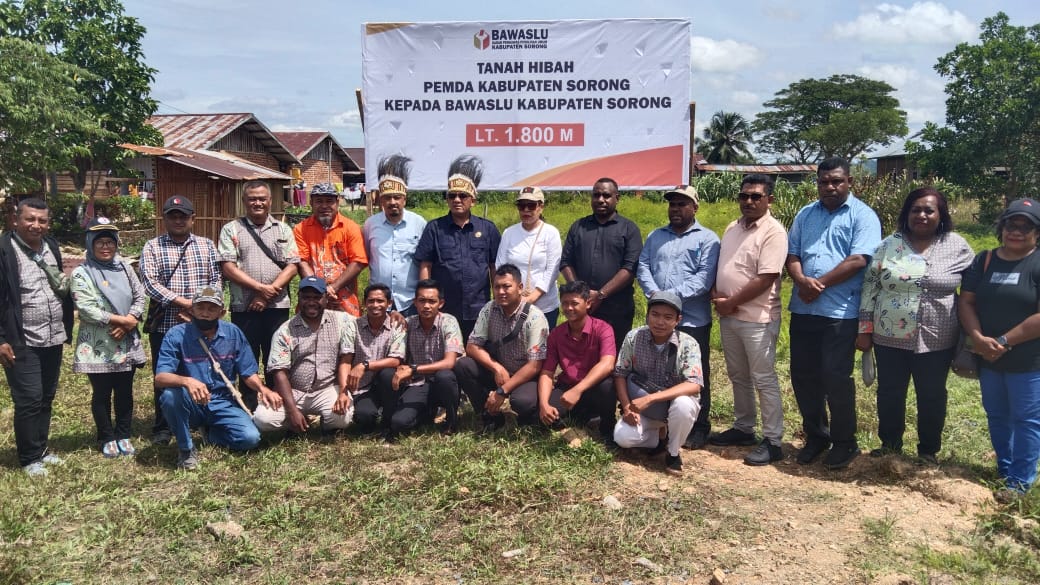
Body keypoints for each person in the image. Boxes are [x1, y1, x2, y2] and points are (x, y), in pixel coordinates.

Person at [857, 187, 973, 464]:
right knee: (890, 393)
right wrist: (864, 330)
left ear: (940, 215)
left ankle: (928, 451)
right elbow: (870, 288)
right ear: (906, 214)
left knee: (932, 395)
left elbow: (973, 292)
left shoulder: (957, 246)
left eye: (929, 210)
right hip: (889, 335)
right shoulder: (889, 246)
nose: (922, 215)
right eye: (915, 210)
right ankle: (890, 446)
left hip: (938, 338)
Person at [786, 157, 881, 470]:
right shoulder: (805, 214)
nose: (830, 187)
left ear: (849, 182)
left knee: (835, 378)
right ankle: (817, 436)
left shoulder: (863, 215)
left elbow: (858, 260)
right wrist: (801, 280)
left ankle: (845, 441)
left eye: (837, 181)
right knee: (803, 376)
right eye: (824, 181)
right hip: (803, 308)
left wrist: (819, 284)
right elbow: (793, 253)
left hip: (839, 312)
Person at [959, 198, 1040, 499]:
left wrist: (1004, 342)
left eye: (1025, 226)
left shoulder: (1037, 263)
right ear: (1002, 227)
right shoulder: (985, 260)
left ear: (1037, 232)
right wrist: (978, 338)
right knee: (996, 414)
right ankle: (1005, 470)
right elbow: (966, 301)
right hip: (988, 355)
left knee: (1027, 419)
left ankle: (1020, 482)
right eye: (1011, 224)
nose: (1016, 231)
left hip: (1028, 359)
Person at [155, 287, 282, 471]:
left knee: (250, 439)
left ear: (222, 312)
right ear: (192, 309)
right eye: (200, 308)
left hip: (223, 401)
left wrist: (263, 389)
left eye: (211, 308)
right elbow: (160, 377)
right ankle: (186, 449)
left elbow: (247, 372)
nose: (205, 313)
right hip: (191, 401)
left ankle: (211, 434)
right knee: (170, 396)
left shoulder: (233, 333)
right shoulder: (175, 335)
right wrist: (187, 381)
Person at [710, 174, 788, 466]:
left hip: (757, 318)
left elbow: (767, 277)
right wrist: (718, 294)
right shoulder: (733, 227)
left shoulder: (773, 232)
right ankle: (744, 428)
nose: (749, 201)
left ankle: (773, 440)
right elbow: (724, 266)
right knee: (738, 375)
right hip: (729, 316)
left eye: (756, 196)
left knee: (763, 378)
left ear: (769, 199)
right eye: (744, 196)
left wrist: (730, 302)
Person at [636, 185, 719, 450]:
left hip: (692, 321)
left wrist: (667, 298)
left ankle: (699, 426)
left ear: (695, 208)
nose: (676, 209)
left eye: (683, 204)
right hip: (659, 320)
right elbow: (644, 266)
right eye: (673, 204)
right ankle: (663, 423)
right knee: (659, 370)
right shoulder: (655, 236)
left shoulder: (708, 239)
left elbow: (704, 279)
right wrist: (655, 294)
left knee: (695, 374)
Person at [140, 194, 223, 446]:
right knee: (166, 373)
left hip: (203, 323)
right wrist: (185, 303)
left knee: (202, 370)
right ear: (164, 219)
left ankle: (201, 420)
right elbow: (150, 283)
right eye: (172, 216)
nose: (178, 220)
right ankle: (163, 426)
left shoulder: (207, 245)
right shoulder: (152, 247)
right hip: (166, 324)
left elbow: (216, 280)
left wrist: (201, 308)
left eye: (183, 216)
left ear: (192, 219)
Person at [0, 198, 75, 476]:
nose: (36, 225)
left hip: (53, 335)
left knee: (46, 396)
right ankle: (29, 457)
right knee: (29, 398)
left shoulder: (50, 245)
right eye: (30, 219)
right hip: (22, 338)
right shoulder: (4, 249)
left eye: (42, 220)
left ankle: (41, 449)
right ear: (15, 220)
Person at [217, 180, 299, 411]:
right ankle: (250, 407)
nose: (258, 203)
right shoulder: (231, 229)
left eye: (262, 198)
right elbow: (228, 267)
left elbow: (293, 265)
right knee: (246, 357)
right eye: (252, 198)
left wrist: (267, 293)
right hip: (244, 306)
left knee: (277, 357)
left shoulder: (283, 229)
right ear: (244, 201)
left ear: (270, 201)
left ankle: (278, 407)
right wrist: (259, 288)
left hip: (277, 306)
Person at [71, 218, 147, 458]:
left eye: (110, 242)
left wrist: (129, 321)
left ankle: (124, 433)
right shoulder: (82, 273)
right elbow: (86, 308)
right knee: (102, 393)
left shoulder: (125, 267)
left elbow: (140, 296)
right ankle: (106, 435)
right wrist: (120, 321)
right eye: (100, 242)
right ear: (90, 244)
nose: (105, 247)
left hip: (125, 340)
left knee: (125, 391)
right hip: (98, 345)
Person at [613, 291, 703, 475]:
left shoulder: (688, 343)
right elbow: (620, 374)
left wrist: (652, 398)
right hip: (644, 408)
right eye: (655, 315)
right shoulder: (634, 337)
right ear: (647, 316)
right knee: (622, 437)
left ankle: (673, 452)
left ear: (678, 320)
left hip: (672, 405)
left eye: (668, 317)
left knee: (683, 405)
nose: (660, 322)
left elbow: (694, 384)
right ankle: (659, 437)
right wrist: (627, 406)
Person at [454, 264, 549, 432]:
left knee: (522, 402)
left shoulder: (535, 317)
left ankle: (527, 419)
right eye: (497, 287)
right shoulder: (489, 309)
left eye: (506, 286)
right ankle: (489, 414)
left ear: (520, 288)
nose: (501, 291)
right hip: (500, 371)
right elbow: (472, 346)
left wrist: (503, 391)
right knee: (463, 365)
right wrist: (496, 367)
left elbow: (535, 366)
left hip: (525, 376)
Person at [415, 155, 501, 342]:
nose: (457, 199)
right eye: (451, 195)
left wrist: (497, 303)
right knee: (446, 357)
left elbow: (494, 267)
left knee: (476, 358)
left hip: (479, 309)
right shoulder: (434, 228)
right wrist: (427, 301)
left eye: (463, 195)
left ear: (473, 200)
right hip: (444, 309)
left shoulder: (488, 229)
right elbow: (425, 266)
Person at [253, 276, 353, 435]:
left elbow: (368, 321)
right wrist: (292, 411)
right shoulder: (285, 330)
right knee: (263, 419)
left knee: (343, 418)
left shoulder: (342, 321)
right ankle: (295, 422)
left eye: (317, 297)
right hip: (294, 390)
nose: (311, 302)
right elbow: (279, 372)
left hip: (326, 388)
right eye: (306, 297)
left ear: (326, 298)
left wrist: (395, 317)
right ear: (299, 298)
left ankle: (327, 426)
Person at [561, 177, 643, 352]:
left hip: (617, 308)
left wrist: (600, 295)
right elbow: (566, 262)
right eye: (596, 195)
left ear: (617, 198)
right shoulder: (579, 227)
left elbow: (630, 268)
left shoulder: (629, 229)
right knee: (582, 354)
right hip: (583, 307)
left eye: (606, 195)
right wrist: (581, 292)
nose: (600, 200)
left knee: (614, 356)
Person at [537, 280, 617, 443]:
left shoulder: (603, 329)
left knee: (608, 385)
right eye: (565, 303)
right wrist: (544, 404)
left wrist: (578, 390)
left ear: (588, 303)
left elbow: (607, 364)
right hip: (567, 387)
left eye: (574, 303)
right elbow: (547, 372)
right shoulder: (556, 334)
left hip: (593, 387)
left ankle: (607, 428)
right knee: (543, 418)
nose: (569, 308)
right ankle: (582, 418)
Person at [389, 279, 465, 437]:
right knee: (399, 423)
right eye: (422, 301)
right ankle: (427, 412)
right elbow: (398, 356)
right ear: (415, 302)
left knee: (444, 375)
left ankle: (451, 420)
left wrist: (414, 368)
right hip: (418, 383)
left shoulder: (449, 322)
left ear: (441, 303)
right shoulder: (407, 324)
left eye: (432, 301)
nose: (426, 306)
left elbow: (449, 362)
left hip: (443, 383)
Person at [334, 283, 406, 436]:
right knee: (364, 417)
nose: (375, 305)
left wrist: (364, 365)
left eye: (380, 301)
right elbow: (345, 361)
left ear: (389, 304)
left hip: (386, 383)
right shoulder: (353, 326)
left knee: (388, 373)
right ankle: (373, 415)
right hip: (362, 386)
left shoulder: (396, 326)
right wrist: (343, 391)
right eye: (371, 301)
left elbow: (396, 360)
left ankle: (388, 421)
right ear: (365, 303)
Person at [362, 155, 427, 316]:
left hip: (410, 301)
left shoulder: (419, 224)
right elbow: (366, 258)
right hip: (379, 303)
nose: (392, 202)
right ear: (380, 200)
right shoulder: (370, 225)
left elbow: (426, 262)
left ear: (404, 199)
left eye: (397, 197)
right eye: (387, 198)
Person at [294, 182, 368, 315]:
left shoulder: (350, 228)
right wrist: (319, 290)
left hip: (345, 297)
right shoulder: (301, 229)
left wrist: (333, 288)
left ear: (337, 202)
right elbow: (301, 261)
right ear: (311, 203)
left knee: (347, 333)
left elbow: (358, 262)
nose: (324, 206)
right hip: (312, 296)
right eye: (319, 201)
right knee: (308, 333)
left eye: (329, 201)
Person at [496, 186, 563, 327]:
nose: (526, 210)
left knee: (541, 347)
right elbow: (500, 266)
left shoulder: (551, 233)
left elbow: (552, 270)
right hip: (512, 303)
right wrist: (514, 297)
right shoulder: (509, 232)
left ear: (541, 207)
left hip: (544, 306)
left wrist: (531, 298)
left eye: (531, 205)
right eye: (521, 205)